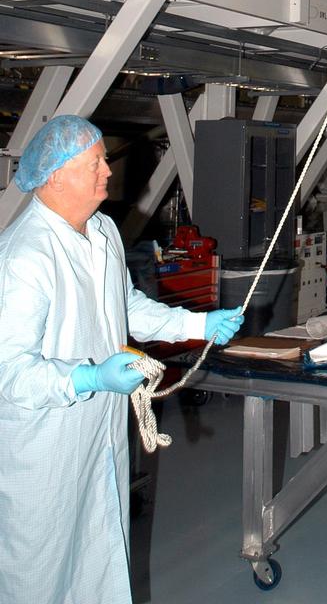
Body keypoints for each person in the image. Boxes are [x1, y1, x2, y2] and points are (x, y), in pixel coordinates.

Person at [0, 115, 245, 604]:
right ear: (55, 176)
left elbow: (126, 306)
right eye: (94, 164)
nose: (107, 173)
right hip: (44, 444)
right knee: (39, 569)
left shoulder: (104, 231)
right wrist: (88, 377)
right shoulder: (22, 257)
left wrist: (197, 326)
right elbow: (10, 372)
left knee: (102, 551)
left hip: (100, 432)